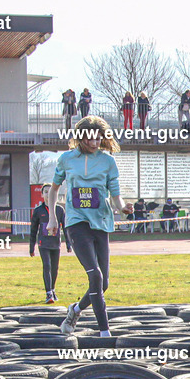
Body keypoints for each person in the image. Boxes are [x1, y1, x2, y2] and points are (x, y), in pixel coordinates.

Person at [50, 115, 134, 337]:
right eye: (90, 139)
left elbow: (115, 194)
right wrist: (52, 218)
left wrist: (123, 208)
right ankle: (105, 332)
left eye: (98, 138)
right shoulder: (67, 159)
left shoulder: (108, 161)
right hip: (76, 222)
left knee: (103, 283)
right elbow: (53, 189)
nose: (95, 143)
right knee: (94, 275)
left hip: (101, 222)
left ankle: (76, 310)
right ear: (81, 138)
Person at [30, 183, 72, 304]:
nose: (48, 194)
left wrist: (68, 244)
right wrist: (31, 247)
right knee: (47, 266)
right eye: (46, 192)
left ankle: (53, 289)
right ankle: (48, 293)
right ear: (42, 194)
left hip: (55, 243)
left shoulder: (60, 210)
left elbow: (65, 228)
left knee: (55, 268)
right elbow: (33, 230)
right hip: (43, 243)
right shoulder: (38, 211)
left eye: (50, 191)